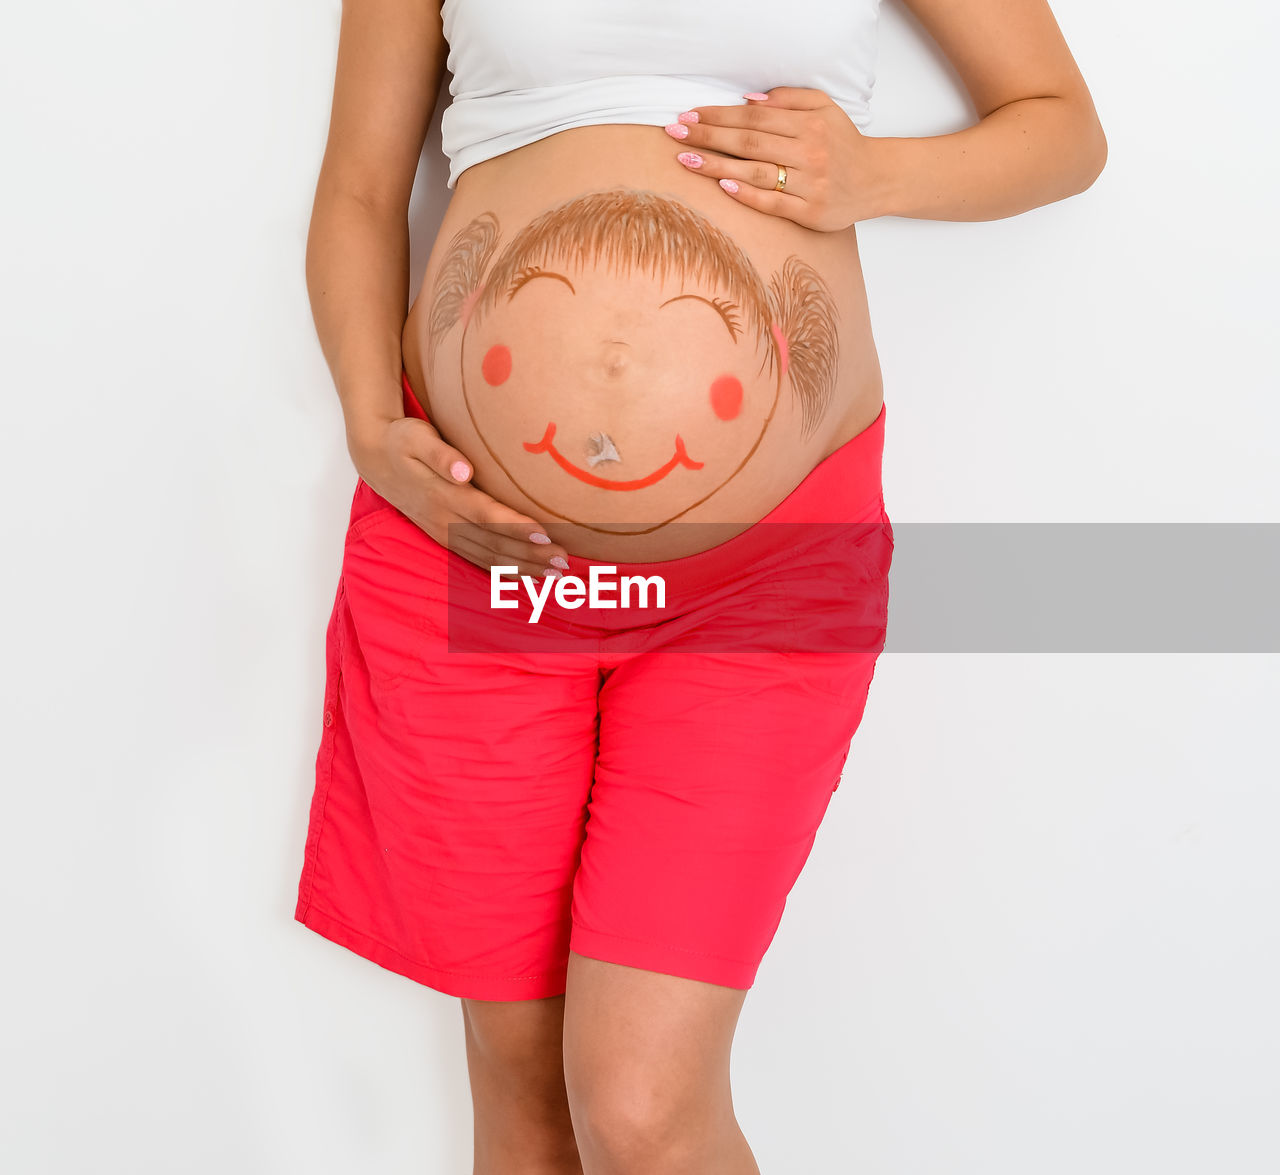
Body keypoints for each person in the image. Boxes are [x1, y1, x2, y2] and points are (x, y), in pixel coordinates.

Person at [293, 0, 1106, 1170]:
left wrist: (872, 175)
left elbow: (1062, 129)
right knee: (520, 1084)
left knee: (637, 1105)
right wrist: (372, 421)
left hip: (762, 572)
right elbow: (362, 186)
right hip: (480, 558)